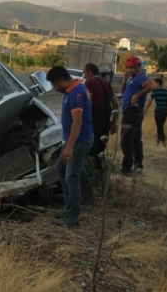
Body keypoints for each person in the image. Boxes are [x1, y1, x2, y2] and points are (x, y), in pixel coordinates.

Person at [46, 66, 93, 229]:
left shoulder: (76, 94)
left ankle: (72, 218)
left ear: (61, 81)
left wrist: (69, 147)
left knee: (71, 178)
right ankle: (69, 209)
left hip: (79, 142)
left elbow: (78, 122)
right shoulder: (73, 89)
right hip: (72, 141)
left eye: (54, 85)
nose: (55, 88)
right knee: (60, 170)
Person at [119, 56, 153, 176]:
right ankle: (138, 165)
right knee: (136, 139)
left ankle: (126, 168)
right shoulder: (131, 79)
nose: (129, 70)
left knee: (126, 139)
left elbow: (151, 86)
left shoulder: (141, 77)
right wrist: (124, 80)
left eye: (131, 68)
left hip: (132, 111)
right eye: (127, 68)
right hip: (133, 111)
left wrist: (138, 95)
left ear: (137, 67)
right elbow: (122, 93)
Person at [83, 63, 119, 171]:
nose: (84, 75)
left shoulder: (89, 83)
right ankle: (100, 173)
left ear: (90, 72)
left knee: (90, 149)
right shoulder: (106, 83)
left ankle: (89, 173)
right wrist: (113, 122)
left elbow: (89, 103)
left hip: (94, 121)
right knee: (101, 149)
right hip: (105, 122)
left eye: (84, 72)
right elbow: (115, 104)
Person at [145, 78, 167, 147]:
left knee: (159, 126)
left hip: (158, 111)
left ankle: (163, 141)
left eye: (155, 83)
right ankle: (158, 140)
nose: (154, 85)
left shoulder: (155, 91)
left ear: (158, 83)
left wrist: (146, 108)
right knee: (160, 126)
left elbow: (150, 101)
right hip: (165, 112)